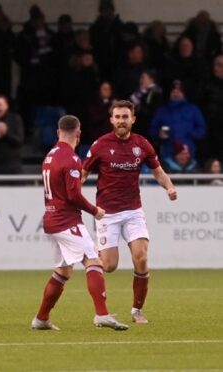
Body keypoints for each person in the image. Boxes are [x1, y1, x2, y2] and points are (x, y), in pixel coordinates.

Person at [82, 100, 177, 324]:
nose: (121, 121)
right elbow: (83, 173)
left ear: (133, 119)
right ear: (111, 120)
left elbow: (158, 172)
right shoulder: (100, 145)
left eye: (125, 117)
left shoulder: (142, 144)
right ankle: (87, 256)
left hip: (133, 211)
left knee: (141, 258)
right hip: (107, 213)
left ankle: (137, 311)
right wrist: (72, 194)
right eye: (117, 117)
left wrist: (169, 186)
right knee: (109, 266)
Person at [32, 115, 128, 331]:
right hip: (66, 221)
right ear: (78, 133)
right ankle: (102, 314)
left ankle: (41, 319)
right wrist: (95, 211)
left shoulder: (50, 155)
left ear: (57, 133)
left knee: (63, 272)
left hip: (51, 220)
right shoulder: (71, 158)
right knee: (93, 261)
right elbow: (73, 195)